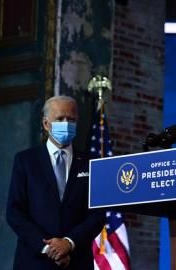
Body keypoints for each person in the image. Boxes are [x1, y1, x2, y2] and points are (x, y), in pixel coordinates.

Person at [6, 95, 105, 269]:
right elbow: (15, 212)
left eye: (71, 119)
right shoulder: (25, 161)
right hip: (33, 261)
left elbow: (98, 214)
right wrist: (48, 248)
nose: (66, 124)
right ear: (46, 124)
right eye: (60, 118)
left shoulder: (92, 163)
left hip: (77, 262)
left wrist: (69, 243)